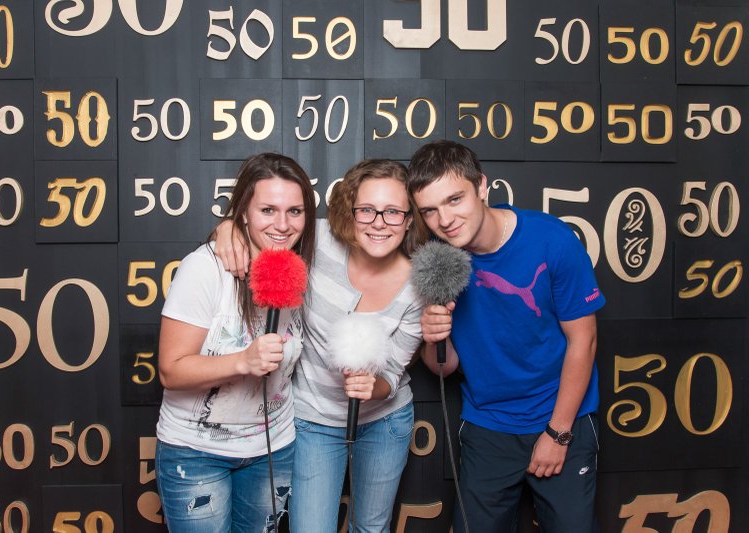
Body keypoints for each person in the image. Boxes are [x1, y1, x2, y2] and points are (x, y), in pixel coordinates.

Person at [216, 159, 429, 532]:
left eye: (393, 212)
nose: (379, 223)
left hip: (385, 421)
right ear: (350, 212)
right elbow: (271, 230)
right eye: (367, 210)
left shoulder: (418, 286)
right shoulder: (319, 242)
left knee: (372, 528)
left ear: (409, 220)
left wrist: (374, 387)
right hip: (313, 419)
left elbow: (394, 372)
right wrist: (229, 227)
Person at [407, 140, 605, 532]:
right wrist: (433, 337)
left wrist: (558, 433)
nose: (444, 219)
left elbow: (584, 341)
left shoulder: (551, 239)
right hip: (489, 424)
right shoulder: (436, 258)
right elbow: (444, 368)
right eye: (429, 210)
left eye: (454, 200)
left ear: (482, 186)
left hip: (560, 415)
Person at [154, 153, 317, 532]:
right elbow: (171, 370)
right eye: (267, 210)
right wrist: (242, 361)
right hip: (196, 452)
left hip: (273, 449)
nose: (282, 224)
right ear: (243, 211)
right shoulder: (205, 268)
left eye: (295, 211)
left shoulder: (305, 265)